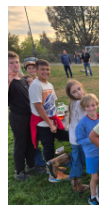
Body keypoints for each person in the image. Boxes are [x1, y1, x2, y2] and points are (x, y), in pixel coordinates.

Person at [29, 59, 71, 182]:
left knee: (66, 136)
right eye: (42, 69)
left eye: (47, 69)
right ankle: (52, 175)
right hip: (43, 124)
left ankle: (53, 165)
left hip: (52, 120)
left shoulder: (49, 85)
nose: (46, 71)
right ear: (36, 71)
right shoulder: (35, 85)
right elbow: (38, 107)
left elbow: (52, 103)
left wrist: (56, 117)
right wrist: (49, 124)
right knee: (49, 147)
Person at [10, 52, 45, 181]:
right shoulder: (8, 81)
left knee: (31, 142)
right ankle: (19, 172)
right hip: (18, 118)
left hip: (29, 116)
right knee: (20, 144)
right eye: (11, 62)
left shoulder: (23, 79)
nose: (15, 65)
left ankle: (31, 165)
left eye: (16, 62)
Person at [76, 93, 99, 205]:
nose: (91, 108)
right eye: (87, 107)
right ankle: (92, 197)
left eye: (93, 105)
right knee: (95, 177)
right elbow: (79, 139)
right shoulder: (82, 123)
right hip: (91, 155)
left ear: (97, 104)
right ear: (84, 108)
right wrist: (92, 139)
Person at [65, 80, 90, 192]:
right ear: (71, 95)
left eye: (79, 89)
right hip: (78, 139)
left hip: (75, 138)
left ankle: (60, 160)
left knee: (79, 157)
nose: (79, 93)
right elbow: (84, 122)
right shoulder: (80, 104)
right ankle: (76, 185)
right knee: (77, 162)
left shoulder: (75, 102)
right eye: (74, 92)